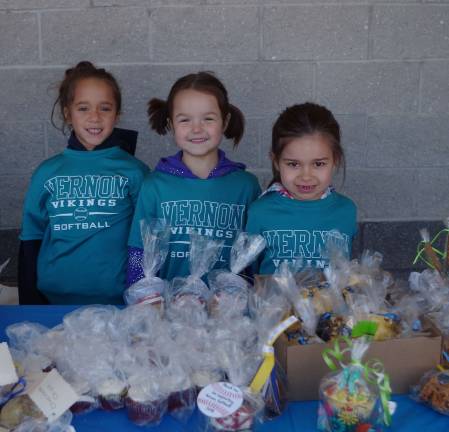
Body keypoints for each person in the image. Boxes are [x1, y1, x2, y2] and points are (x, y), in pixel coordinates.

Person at [18, 61, 149, 304]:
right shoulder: (47, 173)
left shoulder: (134, 171)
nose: (95, 117)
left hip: (117, 303)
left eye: (105, 108)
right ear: (68, 113)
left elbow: (145, 240)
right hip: (54, 301)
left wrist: (139, 294)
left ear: (117, 114)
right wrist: (30, 304)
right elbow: (30, 239)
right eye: (83, 108)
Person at [127, 71, 260, 283]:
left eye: (208, 118)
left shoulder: (246, 185)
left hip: (228, 310)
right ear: (171, 124)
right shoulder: (155, 185)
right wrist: (141, 297)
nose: (196, 129)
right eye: (185, 120)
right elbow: (138, 252)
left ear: (224, 122)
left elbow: (253, 255)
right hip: (168, 309)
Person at [246, 102, 357, 274]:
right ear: (275, 161)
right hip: (273, 302)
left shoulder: (346, 211)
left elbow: (345, 274)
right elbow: (250, 273)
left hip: (329, 302)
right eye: (293, 164)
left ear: (335, 160)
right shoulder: (259, 212)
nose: (306, 176)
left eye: (318, 163)